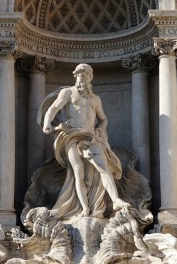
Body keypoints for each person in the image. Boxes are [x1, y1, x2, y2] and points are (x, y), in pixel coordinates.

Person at [41, 63, 128, 220]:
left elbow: (103, 119)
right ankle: (85, 209)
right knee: (78, 171)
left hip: (90, 137)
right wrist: (47, 122)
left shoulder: (95, 99)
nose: (82, 76)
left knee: (103, 166)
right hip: (71, 136)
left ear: (90, 78)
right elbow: (53, 108)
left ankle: (115, 200)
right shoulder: (68, 92)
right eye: (79, 74)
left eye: (85, 74)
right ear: (75, 76)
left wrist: (100, 131)